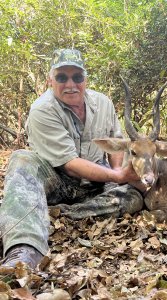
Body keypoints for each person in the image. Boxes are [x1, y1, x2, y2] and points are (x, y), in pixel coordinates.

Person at [0, 49, 144, 269]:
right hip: (59, 181)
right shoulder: (42, 110)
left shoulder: (103, 103)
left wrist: (120, 176)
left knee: (135, 196)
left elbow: (116, 143)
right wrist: (116, 175)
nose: (70, 84)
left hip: (98, 183)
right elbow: (71, 165)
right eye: (61, 77)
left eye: (77, 77)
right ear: (50, 80)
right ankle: (24, 249)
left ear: (85, 79)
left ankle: (66, 213)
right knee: (22, 159)